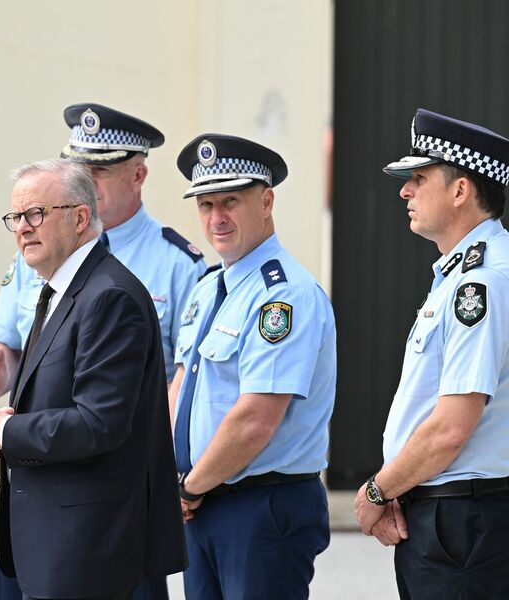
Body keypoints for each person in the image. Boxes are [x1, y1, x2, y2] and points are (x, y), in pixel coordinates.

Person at [0, 103, 203, 600]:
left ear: (80, 219)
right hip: (48, 536)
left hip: (90, 546)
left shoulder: (109, 296)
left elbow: (100, 422)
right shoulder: (55, 285)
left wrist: (8, 430)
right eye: (15, 216)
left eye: (36, 214)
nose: (22, 227)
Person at [170, 134, 336, 599]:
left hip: (260, 506)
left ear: (266, 202)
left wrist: (187, 488)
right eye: (205, 205)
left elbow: (256, 418)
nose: (216, 218)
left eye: (230, 202)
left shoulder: (282, 296)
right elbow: (180, 387)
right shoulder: (208, 289)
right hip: (202, 502)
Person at [354, 108, 509, 599]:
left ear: (460, 190)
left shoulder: (480, 283)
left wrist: (378, 490)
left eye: (418, 178)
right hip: (450, 515)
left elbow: (448, 429)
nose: (405, 191)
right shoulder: (463, 275)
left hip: (463, 523)